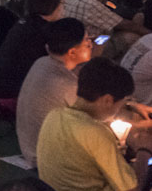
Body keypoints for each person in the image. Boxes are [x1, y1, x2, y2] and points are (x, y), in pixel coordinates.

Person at [36, 58, 152, 191]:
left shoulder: (55, 115)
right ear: (108, 100)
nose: (120, 109)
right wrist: (144, 151)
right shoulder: (95, 131)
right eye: (121, 104)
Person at [15, 18, 94, 166]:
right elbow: (95, 115)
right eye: (86, 41)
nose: (91, 44)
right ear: (72, 52)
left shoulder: (41, 63)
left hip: (28, 147)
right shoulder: (67, 85)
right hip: (45, 159)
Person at [0, 0, 65, 107]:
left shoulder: (26, 22)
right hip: (11, 98)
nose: (63, 8)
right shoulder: (43, 32)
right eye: (62, 3)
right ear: (52, 3)